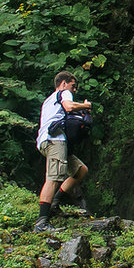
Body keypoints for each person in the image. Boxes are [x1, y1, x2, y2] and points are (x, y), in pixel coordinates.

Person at [35, 71, 92, 230]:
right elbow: (69, 106)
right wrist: (86, 106)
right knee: (53, 178)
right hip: (55, 141)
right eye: (73, 86)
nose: (74, 90)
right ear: (63, 84)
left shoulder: (49, 101)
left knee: (80, 170)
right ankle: (42, 222)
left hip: (49, 141)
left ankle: (54, 203)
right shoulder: (63, 93)